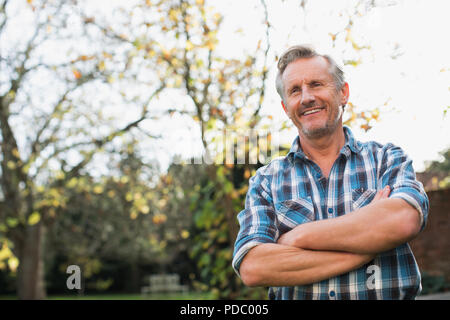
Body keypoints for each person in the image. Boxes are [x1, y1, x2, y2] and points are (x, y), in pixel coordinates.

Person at [232, 45, 429, 300]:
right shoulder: (266, 181)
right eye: (295, 91)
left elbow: (403, 221)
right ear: (285, 107)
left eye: (316, 84)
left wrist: (298, 236)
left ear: (343, 93)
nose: (306, 98)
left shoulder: (386, 158)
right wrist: (369, 243)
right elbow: (254, 267)